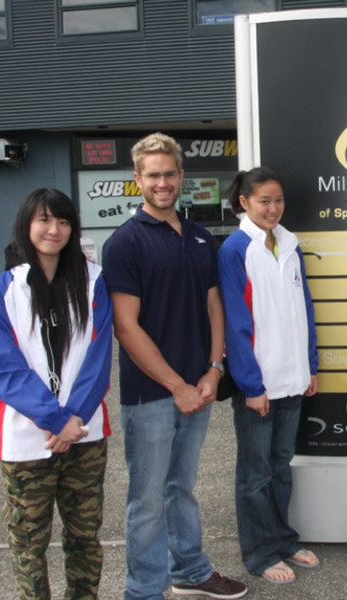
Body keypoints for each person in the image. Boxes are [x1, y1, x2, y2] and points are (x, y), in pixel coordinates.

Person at [102, 133, 247, 599]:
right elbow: (126, 327)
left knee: (181, 488)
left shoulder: (202, 237)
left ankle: (189, 570)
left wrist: (212, 369)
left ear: (182, 177)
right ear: (137, 179)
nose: (162, 182)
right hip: (151, 396)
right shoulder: (125, 243)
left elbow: (214, 306)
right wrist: (176, 386)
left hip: (199, 386)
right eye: (153, 175)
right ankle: (144, 590)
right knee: (147, 501)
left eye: (169, 173)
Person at [0, 188, 112, 599]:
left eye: (63, 221)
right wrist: (56, 419)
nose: (54, 229)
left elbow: (99, 355)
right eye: (44, 220)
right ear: (27, 225)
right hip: (26, 438)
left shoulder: (93, 282)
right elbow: (2, 369)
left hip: (85, 434)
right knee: (28, 543)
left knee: (85, 536)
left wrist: (74, 418)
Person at [218, 167, 320, 584]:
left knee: (280, 466)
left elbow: (305, 310)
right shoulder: (234, 250)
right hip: (259, 385)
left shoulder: (290, 245)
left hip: (293, 378)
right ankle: (259, 552)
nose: (273, 208)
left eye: (278, 200)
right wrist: (250, 385)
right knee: (255, 473)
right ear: (244, 203)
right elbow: (235, 324)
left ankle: (283, 539)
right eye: (264, 201)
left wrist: (310, 364)